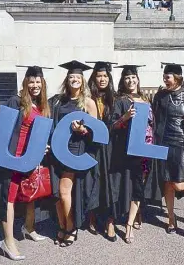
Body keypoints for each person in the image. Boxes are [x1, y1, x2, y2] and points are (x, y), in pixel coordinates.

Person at [0, 66, 51, 260]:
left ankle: (28, 227)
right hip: (12, 158)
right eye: (31, 81)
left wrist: (41, 146)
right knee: (8, 198)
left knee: (29, 194)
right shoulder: (16, 101)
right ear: (25, 82)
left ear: (43, 84)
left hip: (30, 158)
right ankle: (8, 241)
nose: (35, 85)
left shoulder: (42, 105)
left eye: (38, 82)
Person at [49, 60, 98, 247]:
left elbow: (96, 130)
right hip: (56, 149)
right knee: (56, 192)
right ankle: (62, 225)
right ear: (66, 80)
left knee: (64, 191)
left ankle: (71, 228)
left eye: (77, 77)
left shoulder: (88, 102)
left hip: (74, 151)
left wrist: (83, 130)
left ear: (82, 80)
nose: (74, 79)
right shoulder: (58, 101)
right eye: (71, 77)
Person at [110, 64, 152, 244]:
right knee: (131, 184)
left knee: (139, 185)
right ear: (123, 81)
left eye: (133, 77)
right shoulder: (120, 100)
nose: (131, 80)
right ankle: (128, 225)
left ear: (138, 79)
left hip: (146, 149)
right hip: (129, 149)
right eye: (127, 78)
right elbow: (112, 125)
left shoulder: (145, 99)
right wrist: (125, 117)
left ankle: (135, 214)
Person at [152, 63, 184, 234]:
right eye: (164, 76)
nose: (164, 79)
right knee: (167, 182)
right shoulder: (160, 95)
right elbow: (154, 116)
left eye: (167, 77)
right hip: (163, 141)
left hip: (182, 142)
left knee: (179, 185)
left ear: (177, 78)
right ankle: (170, 219)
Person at [87, 61, 117, 241]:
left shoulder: (115, 97)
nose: (102, 78)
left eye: (105, 76)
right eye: (99, 75)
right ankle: (91, 216)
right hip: (93, 145)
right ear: (94, 78)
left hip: (112, 146)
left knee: (111, 183)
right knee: (94, 181)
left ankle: (110, 221)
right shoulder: (88, 97)